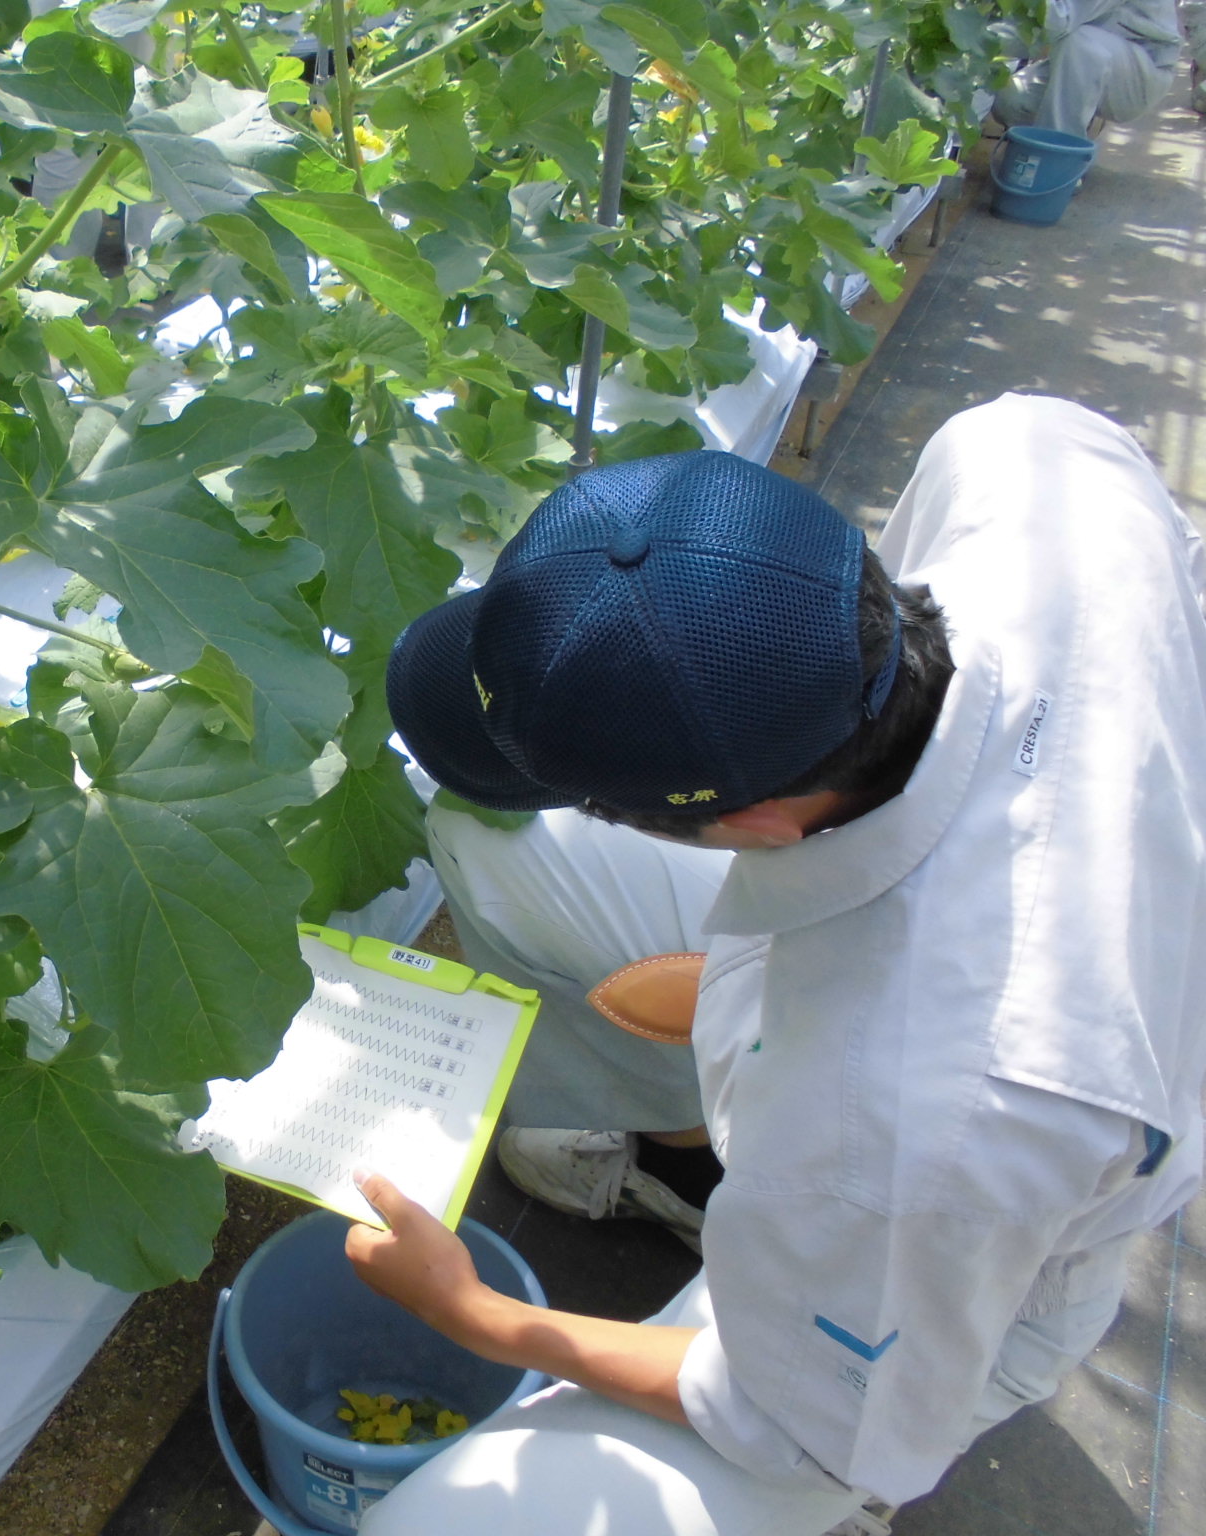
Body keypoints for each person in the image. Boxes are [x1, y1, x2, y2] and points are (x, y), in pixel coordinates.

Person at [346, 394, 1206, 1535]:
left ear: (756, 824)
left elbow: (787, 1420)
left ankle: (821, 1444)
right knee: (500, 842)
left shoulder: (932, 1118)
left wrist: (476, 1314)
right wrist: (759, 1002)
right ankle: (690, 1163)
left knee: (431, 1529)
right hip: (994, 994)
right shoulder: (1032, 459)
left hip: (949, 1286)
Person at [993, 0, 1183, 135]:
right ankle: (1068, 133)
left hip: (1141, 72)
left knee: (1079, 42)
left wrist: (984, 37)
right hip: (1085, 55)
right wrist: (982, 41)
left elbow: (1057, 20)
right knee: (1012, 99)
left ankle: (1058, 160)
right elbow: (1032, 33)